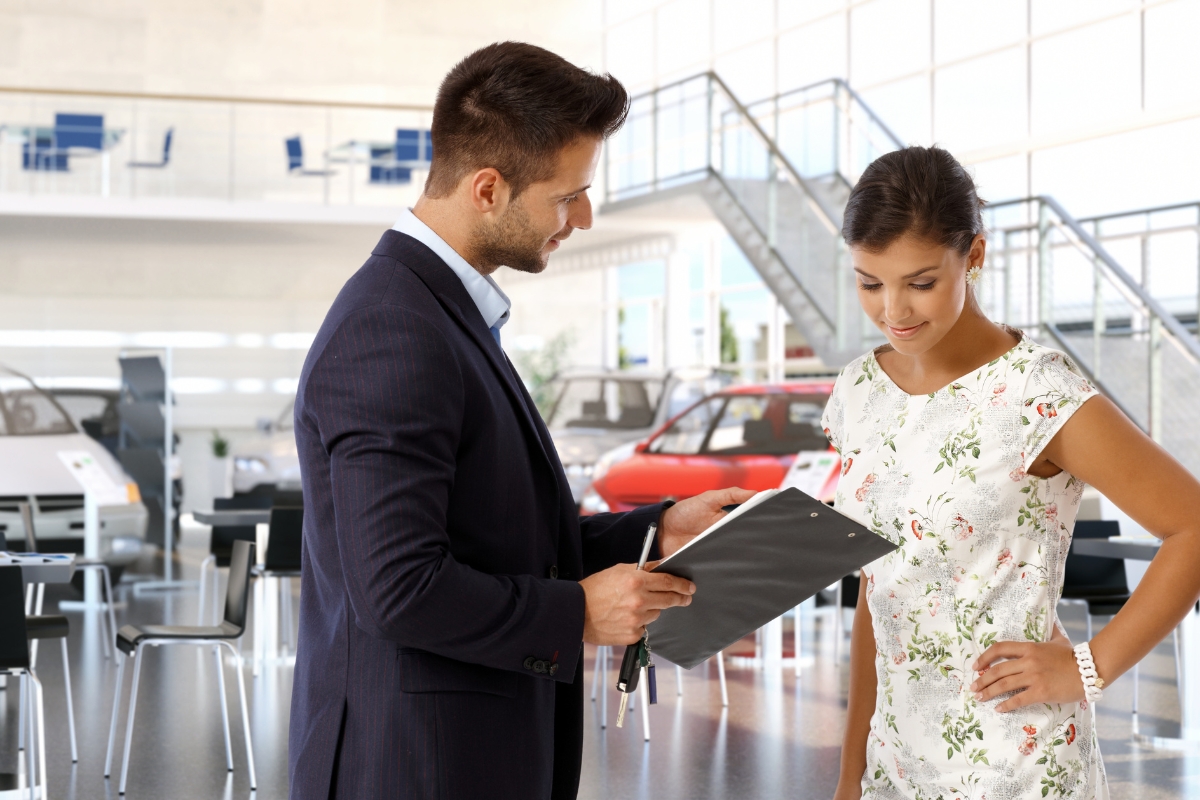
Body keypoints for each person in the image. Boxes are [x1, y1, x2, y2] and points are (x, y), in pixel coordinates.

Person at [287, 41, 753, 800]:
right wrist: (577, 613)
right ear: (488, 189)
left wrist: (655, 529)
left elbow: (498, 540)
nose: (586, 216)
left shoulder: (440, 316)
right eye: (569, 194)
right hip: (415, 766)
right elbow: (398, 588)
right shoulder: (394, 330)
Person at [825, 146, 1200, 800]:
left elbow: (1192, 524)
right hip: (897, 763)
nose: (894, 311)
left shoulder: (1036, 392)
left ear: (973, 256)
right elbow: (877, 589)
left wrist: (1090, 668)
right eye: (869, 282)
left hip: (1017, 764)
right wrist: (851, 773)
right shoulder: (859, 391)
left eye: (920, 282)